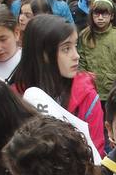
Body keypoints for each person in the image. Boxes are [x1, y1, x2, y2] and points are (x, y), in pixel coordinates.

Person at [10, 14, 105, 152]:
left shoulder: (86, 95)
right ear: (44, 54)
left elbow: (96, 150)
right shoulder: (16, 98)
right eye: (66, 49)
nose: (76, 55)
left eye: (75, 46)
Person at [78, 0, 116, 99]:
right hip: (91, 90)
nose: (100, 18)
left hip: (113, 90)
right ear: (91, 15)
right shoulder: (84, 35)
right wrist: (85, 76)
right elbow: (81, 61)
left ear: (112, 16)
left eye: (104, 14)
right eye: (96, 14)